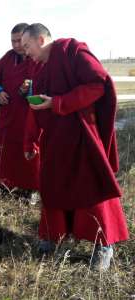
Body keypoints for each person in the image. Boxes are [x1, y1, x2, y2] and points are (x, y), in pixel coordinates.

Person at [21, 23, 129, 270]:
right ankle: (52, 235)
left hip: (82, 137)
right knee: (52, 186)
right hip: (55, 140)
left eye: (27, 46)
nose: (25, 52)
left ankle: (104, 245)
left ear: (40, 40)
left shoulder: (73, 52)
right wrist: (32, 139)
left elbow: (97, 85)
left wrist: (58, 102)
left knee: (90, 190)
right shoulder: (42, 69)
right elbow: (36, 107)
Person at [0, 23, 40, 200]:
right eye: (13, 41)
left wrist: (31, 88)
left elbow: (44, 83)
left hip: (29, 116)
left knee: (28, 153)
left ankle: (30, 190)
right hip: (8, 116)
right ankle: (4, 185)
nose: (17, 45)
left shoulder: (35, 57)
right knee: (6, 153)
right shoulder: (6, 59)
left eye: (20, 41)